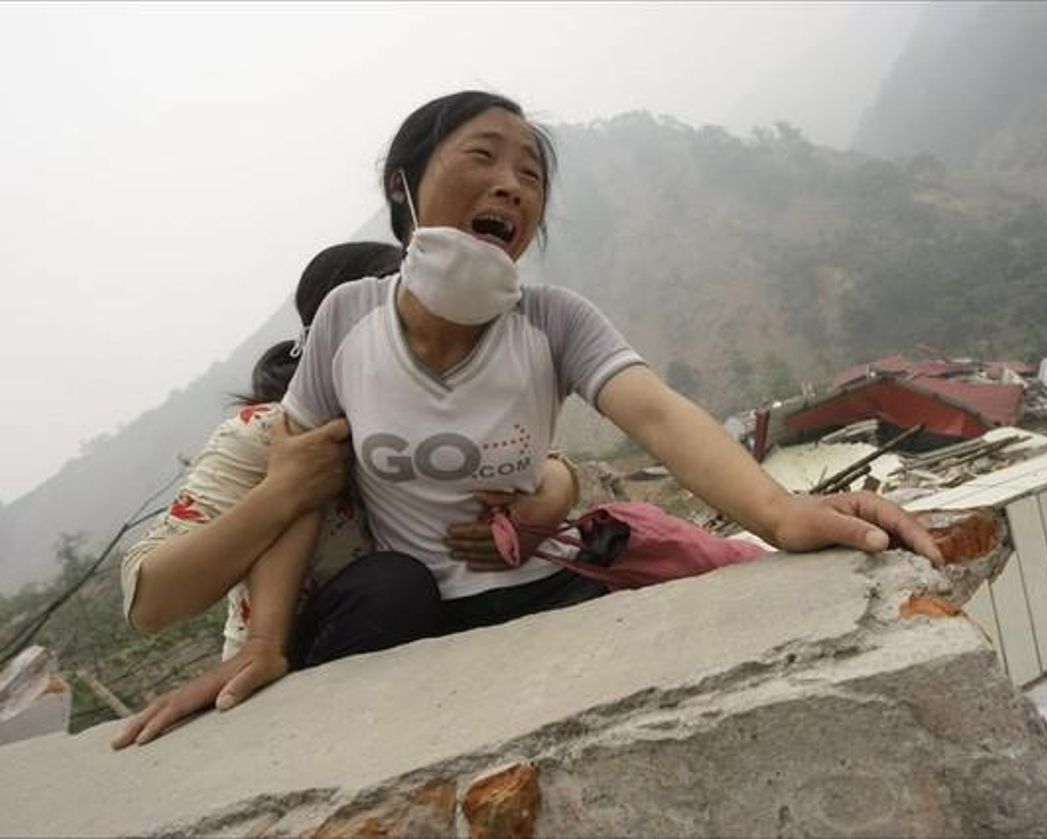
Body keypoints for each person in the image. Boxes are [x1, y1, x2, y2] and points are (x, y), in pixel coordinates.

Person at [115, 89, 939, 749]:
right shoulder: (345, 318)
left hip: (546, 586)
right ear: (402, 185)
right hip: (414, 613)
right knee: (392, 590)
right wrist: (263, 648)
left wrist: (782, 512)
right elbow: (299, 488)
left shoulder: (555, 319)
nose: (512, 182)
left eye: (533, 175)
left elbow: (656, 411)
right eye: (482, 155)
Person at [112, 240, 580, 748]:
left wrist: (557, 488)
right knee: (393, 586)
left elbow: (541, 463)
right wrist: (283, 492)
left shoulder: (442, 419)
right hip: (301, 668)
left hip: (437, 646)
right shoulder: (263, 436)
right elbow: (150, 602)